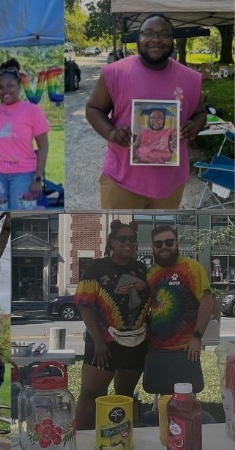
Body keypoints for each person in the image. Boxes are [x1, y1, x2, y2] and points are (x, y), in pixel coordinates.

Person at [85, 14, 205, 208]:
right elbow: (94, 109)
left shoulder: (191, 78)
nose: (155, 39)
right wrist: (110, 133)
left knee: (158, 237)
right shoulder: (115, 72)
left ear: (172, 40)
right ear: (138, 38)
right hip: (122, 181)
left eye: (164, 34)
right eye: (147, 33)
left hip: (170, 184)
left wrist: (195, 126)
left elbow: (200, 113)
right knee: (120, 237)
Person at [71, 220, 150, 430]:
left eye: (132, 239)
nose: (128, 242)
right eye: (122, 238)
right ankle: (84, 439)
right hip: (102, 344)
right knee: (91, 394)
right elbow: (84, 304)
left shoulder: (142, 269)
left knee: (124, 397)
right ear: (111, 242)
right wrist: (98, 341)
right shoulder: (96, 268)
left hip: (135, 343)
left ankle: (118, 437)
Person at [146, 225, 215, 376]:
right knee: (161, 392)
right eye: (158, 244)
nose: (164, 246)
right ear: (153, 247)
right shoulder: (150, 272)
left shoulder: (192, 267)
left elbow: (207, 302)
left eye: (169, 242)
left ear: (177, 244)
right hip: (155, 348)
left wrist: (197, 337)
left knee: (185, 395)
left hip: (185, 348)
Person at [0, 59, 50, 210]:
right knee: (0, 211)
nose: (5, 90)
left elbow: (43, 146)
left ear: (19, 86)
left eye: (10, 85)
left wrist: (38, 178)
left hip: (23, 174)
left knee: (19, 212)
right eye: (1, 87)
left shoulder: (32, 111)